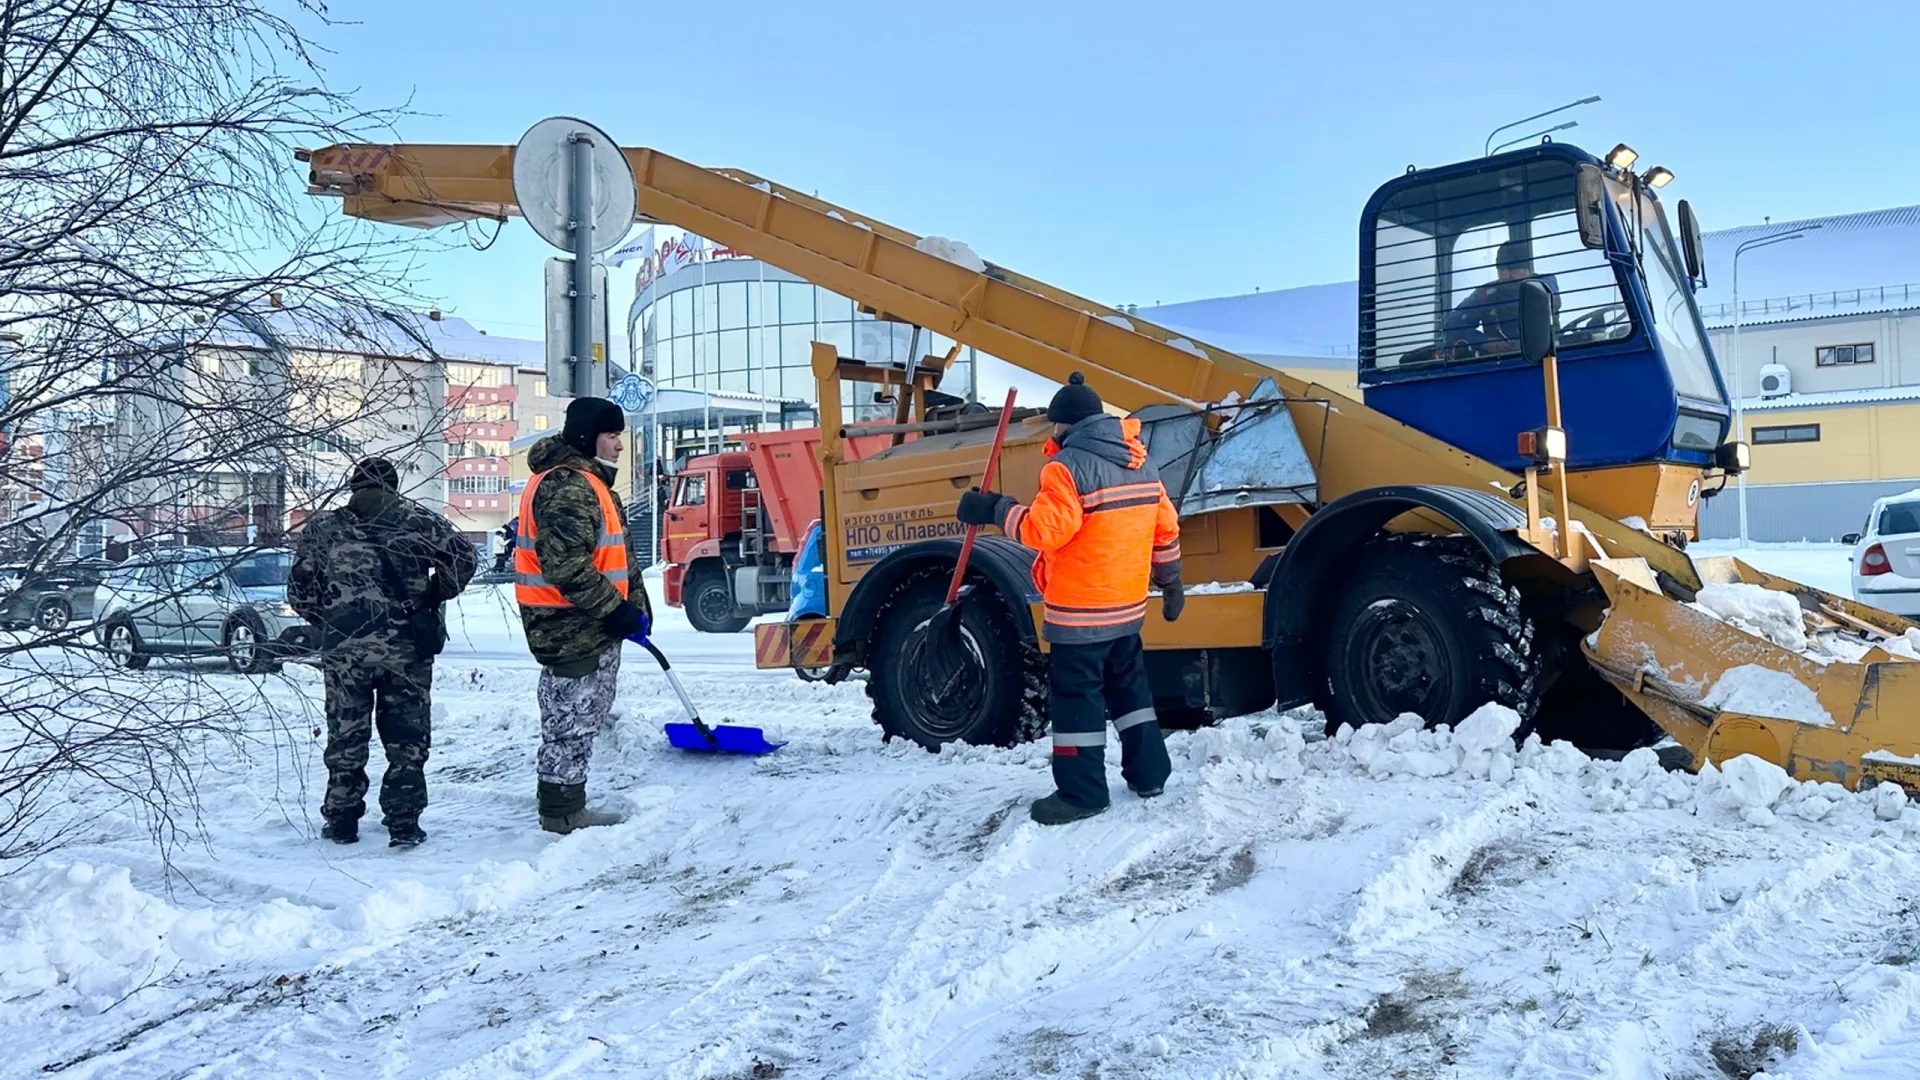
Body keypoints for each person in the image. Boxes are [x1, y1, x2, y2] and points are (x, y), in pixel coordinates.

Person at [955, 372, 1184, 825]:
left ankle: (1082, 795)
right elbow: (1166, 528)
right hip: (1127, 609)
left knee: (1077, 702)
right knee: (1130, 693)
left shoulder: (1066, 468)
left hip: (1080, 614)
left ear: (1065, 425)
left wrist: (996, 508)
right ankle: (1150, 774)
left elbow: (1044, 531)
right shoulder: (1142, 462)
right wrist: (1171, 581)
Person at [289, 457, 476, 848]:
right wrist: (432, 594)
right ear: (392, 487)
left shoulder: (324, 528)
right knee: (406, 737)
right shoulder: (419, 521)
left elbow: (299, 593)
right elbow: (463, 559)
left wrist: (332, 618)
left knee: (346, 733)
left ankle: (341, 819)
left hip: (345, 652)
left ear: (354, 488)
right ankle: (404, 821)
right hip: (405, 650)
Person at [516, 396, 653, 835]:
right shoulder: (569, 486)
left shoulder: (587, 483)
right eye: (612, 435)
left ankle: (565, 803)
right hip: (569, 627)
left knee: (581, 716)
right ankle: (562, 812)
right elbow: (566, 564)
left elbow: (610, 557)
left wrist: (634, 611)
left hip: (587, 624)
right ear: (587, 437)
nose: (619, 445)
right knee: (569, 721)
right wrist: (616, 611)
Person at [1441, 239, 1558, 353]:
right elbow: (1453, 322)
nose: (1505, 275)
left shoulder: (1545, 284)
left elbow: (1548, 301)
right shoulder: (1486, 294)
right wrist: (1483, 341)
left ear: (1527, 268)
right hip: (1500, 362)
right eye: (1501, 269)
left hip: (1545, 358)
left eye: (1512, 269)